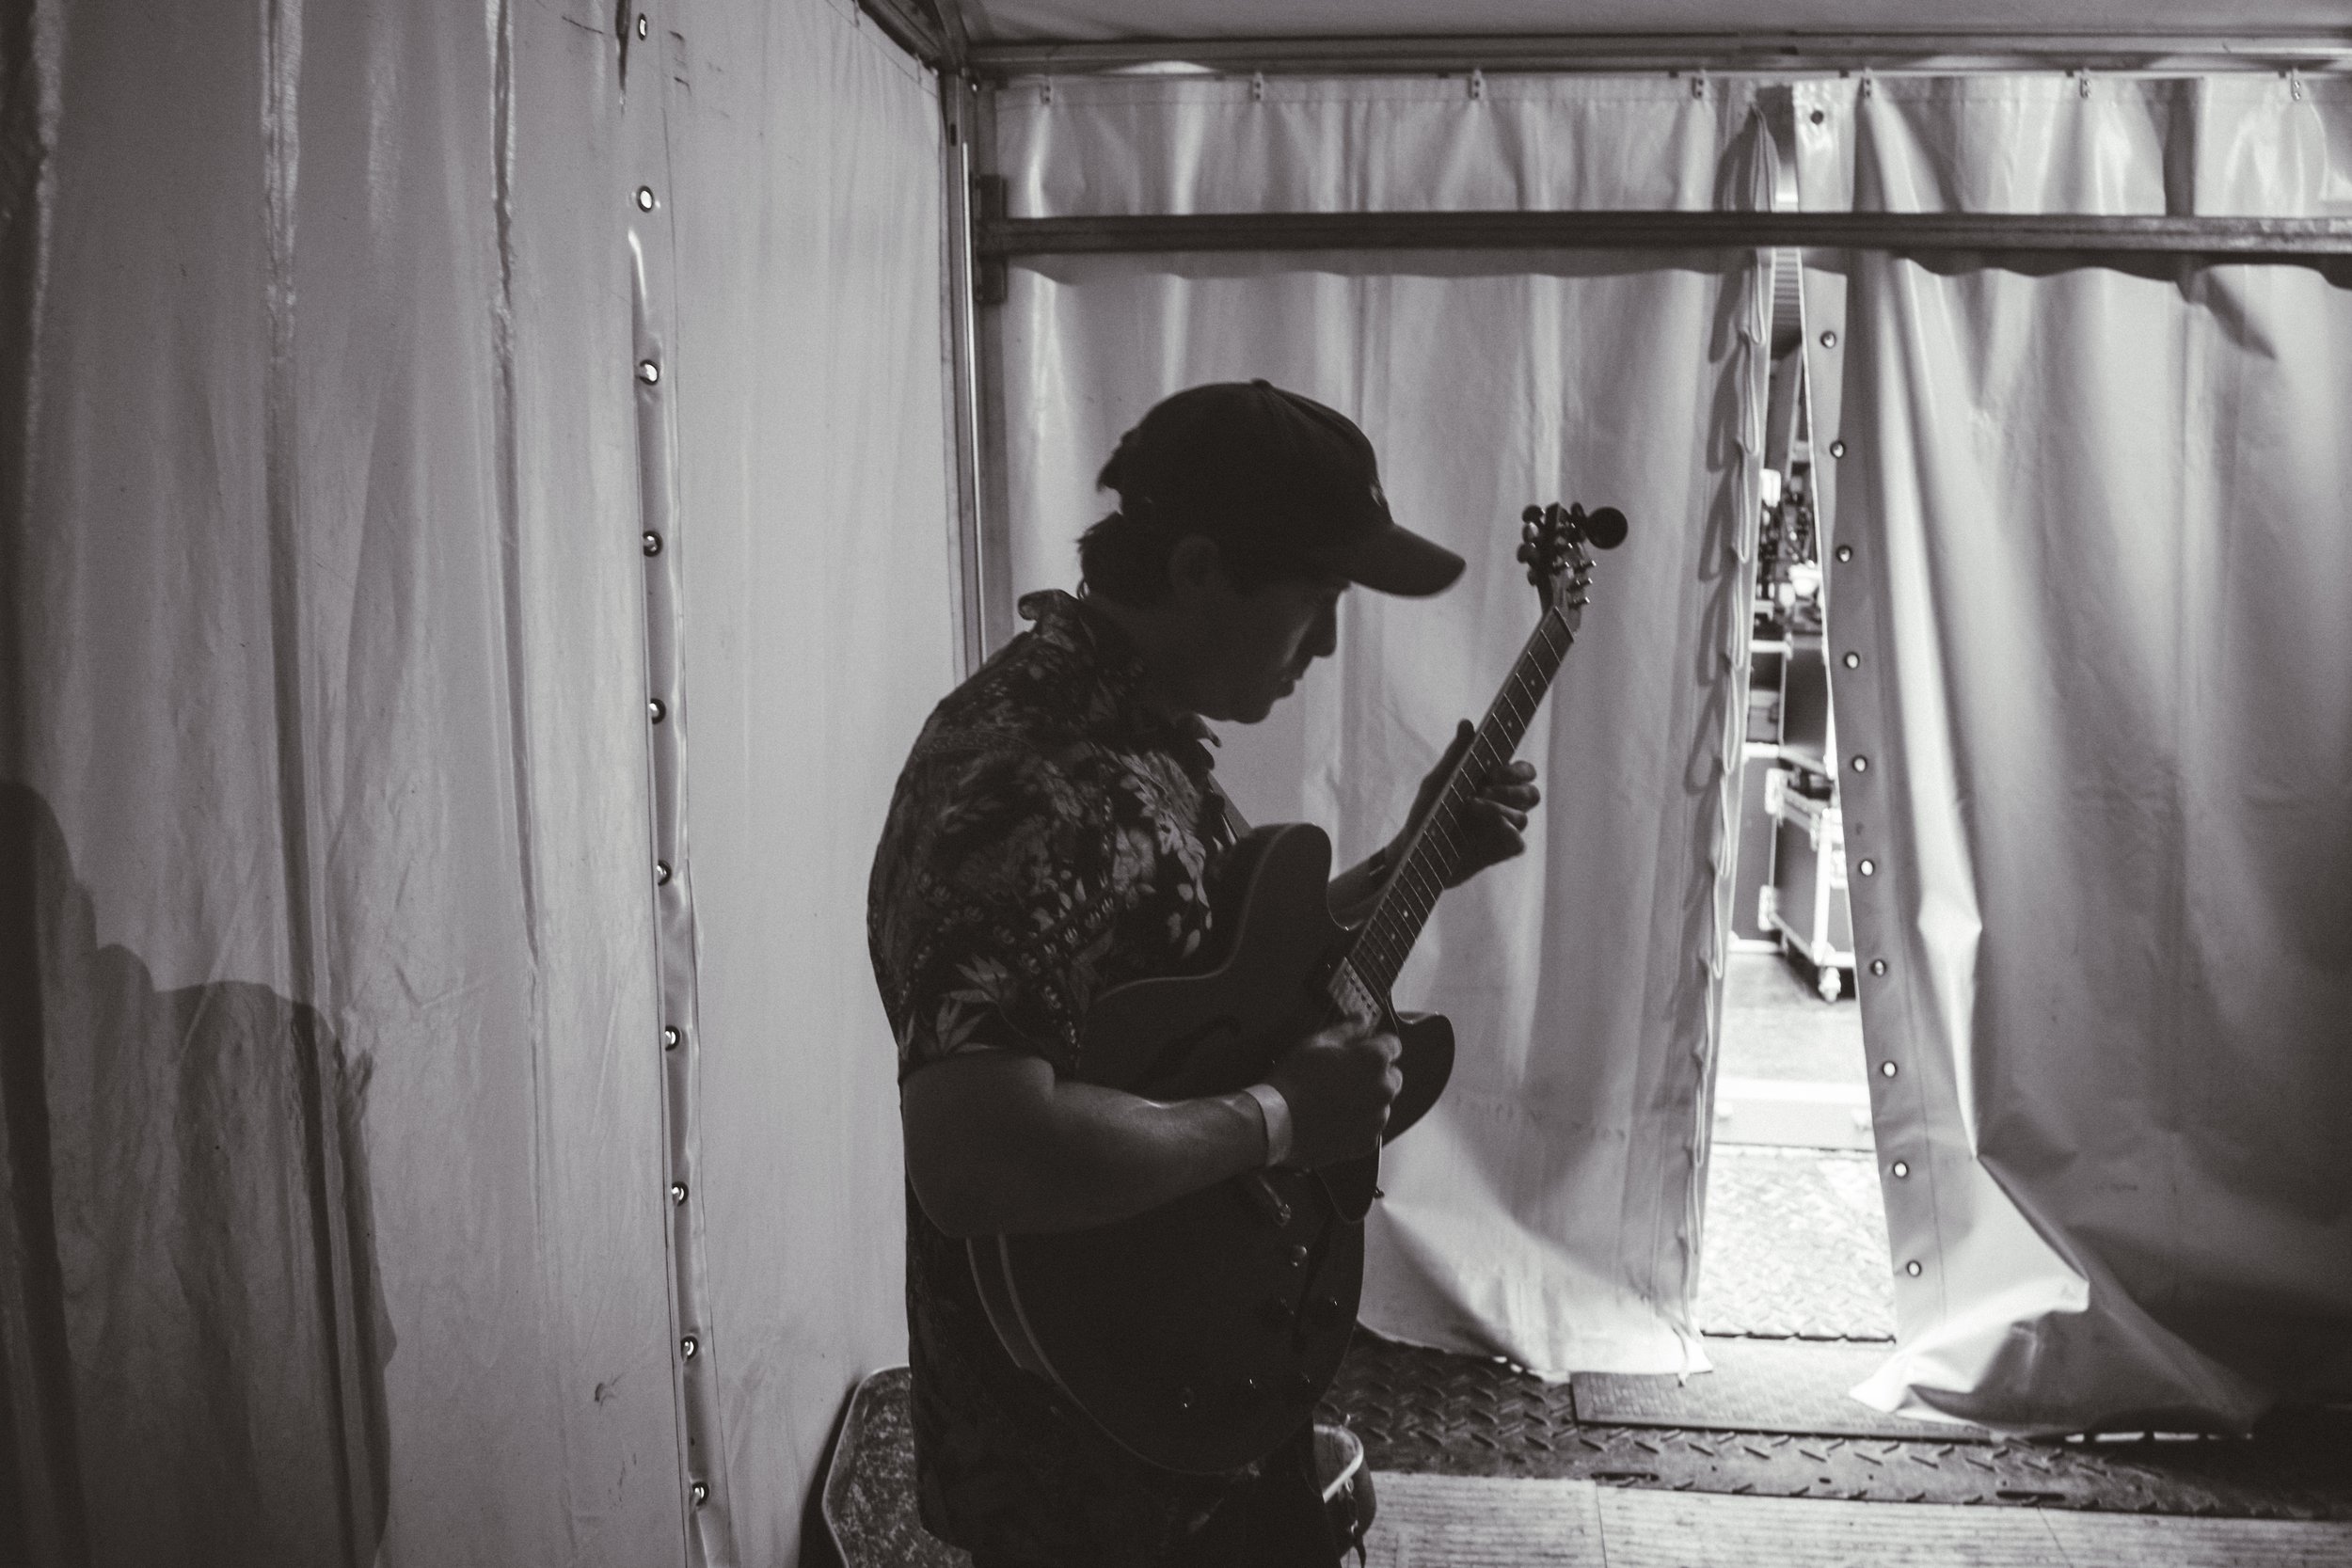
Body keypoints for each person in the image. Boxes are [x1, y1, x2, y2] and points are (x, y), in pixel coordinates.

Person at [867, 381, 1541, 1568]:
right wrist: (1283, 1119)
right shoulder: (1027, 781)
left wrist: (1413, 856)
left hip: (1194, 1396)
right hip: (1081, 1460)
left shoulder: (1136, 731)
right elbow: (978, 1157)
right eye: (1316, 599)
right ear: (1194, 567)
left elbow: (1207, 981)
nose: (1327, 644)